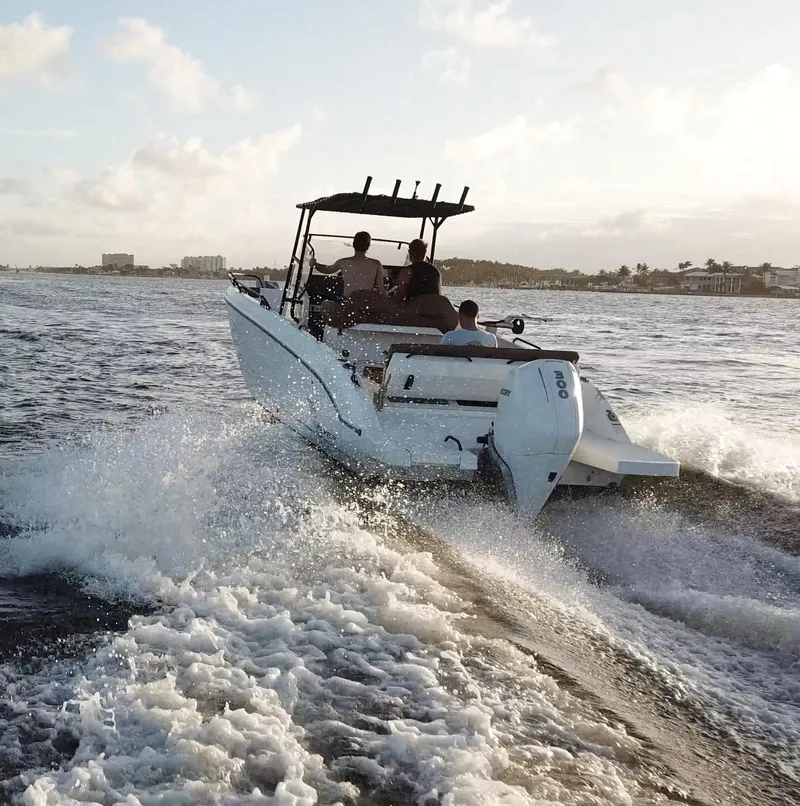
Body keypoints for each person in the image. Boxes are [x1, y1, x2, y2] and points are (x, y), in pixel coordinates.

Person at [321, 231, 386, 298]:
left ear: (354, 244)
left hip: (349, 303)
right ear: (368, 246)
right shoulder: (376, 264)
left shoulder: (343, 262)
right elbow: (381, 291)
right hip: (366, 304)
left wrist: (315, 264)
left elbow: (326, 270)